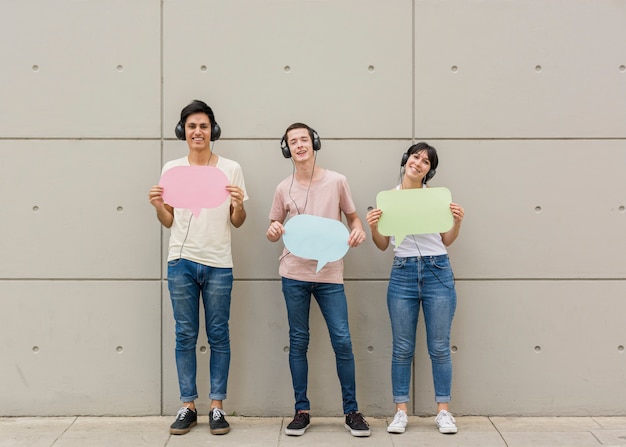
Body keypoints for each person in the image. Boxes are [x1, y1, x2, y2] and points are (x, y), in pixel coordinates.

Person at [148, 100, 248, 436]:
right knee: (185, 335)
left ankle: (217, 406)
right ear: (183, 131)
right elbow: (169, 221)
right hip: (181, 261)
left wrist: (237, 204)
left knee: (219, 335)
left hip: (219, 262)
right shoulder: (172, 169)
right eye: (191, 126)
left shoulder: (230, 169)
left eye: (203, 126)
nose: (197, 132)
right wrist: (159, 206)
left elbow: (239, 221)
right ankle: (188, 405)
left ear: (213, 131)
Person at [266, 123, 371, 437]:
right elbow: (274, 224)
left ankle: (351, 411)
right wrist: (272, 231)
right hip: (293, 274)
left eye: (304, 139)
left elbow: (353, 218)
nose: (299, 145)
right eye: (292, 141)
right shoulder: (283, 187)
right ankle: (301, 410)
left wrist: (358, 230)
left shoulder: (337, 181)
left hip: (329, 274)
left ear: (314, 143)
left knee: (342, 340)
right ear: (287, 149)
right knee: (298, 342)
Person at [365, 142, 464, 435]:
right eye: (415, 157)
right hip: (402, 272)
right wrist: (373, 226)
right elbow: (384, 245)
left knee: (439, 347)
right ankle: (400, 411)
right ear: (406, 160)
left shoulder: (435, 198)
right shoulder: (388, 199)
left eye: (426, 162)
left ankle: (443, 412)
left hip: (437, 271)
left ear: (429, 171)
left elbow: (446, 239)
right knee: (402, 347)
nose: (418, 163)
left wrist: (457, 221)